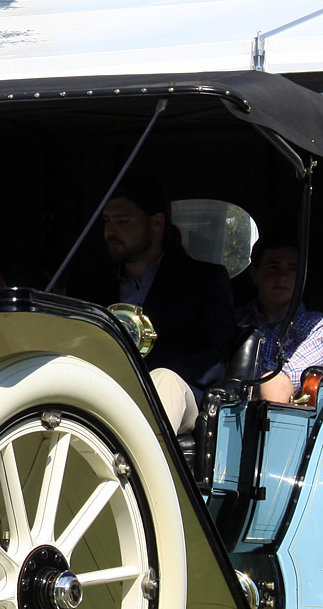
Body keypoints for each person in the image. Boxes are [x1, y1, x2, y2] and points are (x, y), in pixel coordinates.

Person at [77, 175, 237, 427]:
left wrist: (142, 375)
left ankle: (137, 466)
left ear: (156, 223)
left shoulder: (203, 280)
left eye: (123, 221)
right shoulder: (92, 289)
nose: (111, 232)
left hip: (178, 396)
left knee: (165, 381)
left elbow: (212, 358)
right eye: (107, 222)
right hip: (104, 390)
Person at [233, 238, 323, 404]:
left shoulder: (318, 326)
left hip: (274, 411)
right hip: (224, 402)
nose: (282, 277)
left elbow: (286, 375)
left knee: (274, 381)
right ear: (255, 274)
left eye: (293, 269)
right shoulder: (234, 319)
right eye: (273, 267)